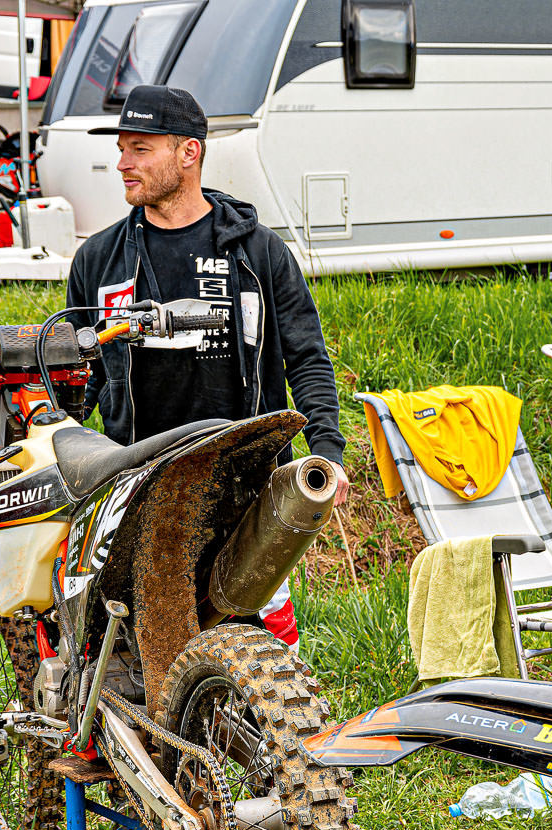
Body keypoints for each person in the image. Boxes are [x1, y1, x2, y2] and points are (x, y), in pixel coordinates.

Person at [65, 85, 348, 647]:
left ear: (188, 152)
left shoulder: (260, 253)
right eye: (121, 149)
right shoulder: (97, 260)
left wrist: (327, 452)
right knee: (139, 642)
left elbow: (307, 358)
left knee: (262, 640)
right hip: (138, 483)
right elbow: (77, 380)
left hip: (247, 478)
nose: (122, 164)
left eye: (140, 149)